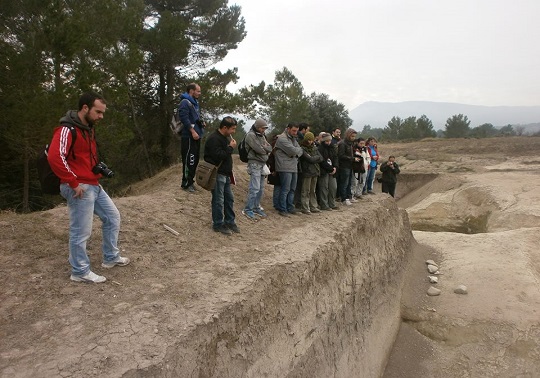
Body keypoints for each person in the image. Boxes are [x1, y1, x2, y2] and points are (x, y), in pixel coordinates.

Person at [48, 92, 130, 283]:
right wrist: (73, 182)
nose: (101, 116)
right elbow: (55, 156)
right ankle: (79, 271)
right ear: (85, 108)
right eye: (98, 112)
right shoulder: (67, 129)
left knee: (112, 217)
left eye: (102, 113)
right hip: (79, 186)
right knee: (81, 230)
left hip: (92, 183)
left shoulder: (88, 129)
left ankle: (110, 257)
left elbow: (85, 158)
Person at [203, 117, 239, 235]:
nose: (234, 132)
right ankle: (218, 224)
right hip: (217, 174)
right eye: (232, 129)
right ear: (225, 128)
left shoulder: (225, 138)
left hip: (226, 174)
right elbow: (219, 156)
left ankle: (229, 221)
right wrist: (230, 148)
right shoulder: (214, 139)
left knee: (229, 199)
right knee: (218, 200)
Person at [242, 118, 272, 220]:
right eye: (263, 128)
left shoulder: (262, 136)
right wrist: (265, 149)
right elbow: (259, 149)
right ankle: (248, 209)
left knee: (261, 188)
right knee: (254, 188)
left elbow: (270, 148)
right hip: (254, 163)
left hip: (262, 164)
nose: (264, 130)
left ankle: (256, 207)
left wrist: (265, 148)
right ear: (258, 127)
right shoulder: (251, 135)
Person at [178, 83, 205, 192]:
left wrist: (201, 123)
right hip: (188, 137)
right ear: (191, 91)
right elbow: (184, 118)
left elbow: (193, 117)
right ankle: (186, 183)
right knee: (189, 160)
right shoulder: (185, 102)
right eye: (198, 91)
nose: (199, 93)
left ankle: (191, 182)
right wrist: (192, 131)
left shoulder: (194, 103)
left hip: (197, 136)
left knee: (195, 159)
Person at [274, 123, 304, 217]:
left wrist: (295, 152)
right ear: (288, 129)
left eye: (296, 131)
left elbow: (300, 150)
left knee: (292, 189)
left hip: (293, 166)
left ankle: (290, 207)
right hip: (284, 166)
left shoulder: (293, 138)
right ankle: (283, 209)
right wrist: (295, 152)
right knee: (285, 189)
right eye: (293, 130)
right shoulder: (282, 138)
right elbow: (294, 151)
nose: (295, 133)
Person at [299, 132, 323, 214]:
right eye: (308, 140)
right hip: (307, 172)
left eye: (311, 140)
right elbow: (310, 159)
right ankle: (305, 207)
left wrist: (314, 158)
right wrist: (315, 158)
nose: (310, 142)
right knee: (306, 190)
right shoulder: (302, 148)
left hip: (315, 171)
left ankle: (313, 206)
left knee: (313, 190)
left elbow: (321, 158)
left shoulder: (315, 148)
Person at [317, 132, 338, 210]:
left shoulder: (332, 148)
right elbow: (321, 161)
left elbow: (335, 157)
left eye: (330, 141)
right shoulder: (320, 148)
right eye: (327, 141)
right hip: (324, 171)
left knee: (333, 187)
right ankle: (324, 204)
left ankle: (332, 203)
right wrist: (330, 168)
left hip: (333, 170)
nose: (328, 142)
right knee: (324, 188)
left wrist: (335, 167)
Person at [337, 128, 359, 206]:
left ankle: (349, 197)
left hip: (350, 166)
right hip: (344, 166)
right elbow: (341, 155)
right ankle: (344, 199)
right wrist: (352, 159)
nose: (353, 138)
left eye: (354, 136)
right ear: (348, 135)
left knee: (349, 182)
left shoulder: (350, 144)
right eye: (352, 136)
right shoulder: (343, 144)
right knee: (344, 183)